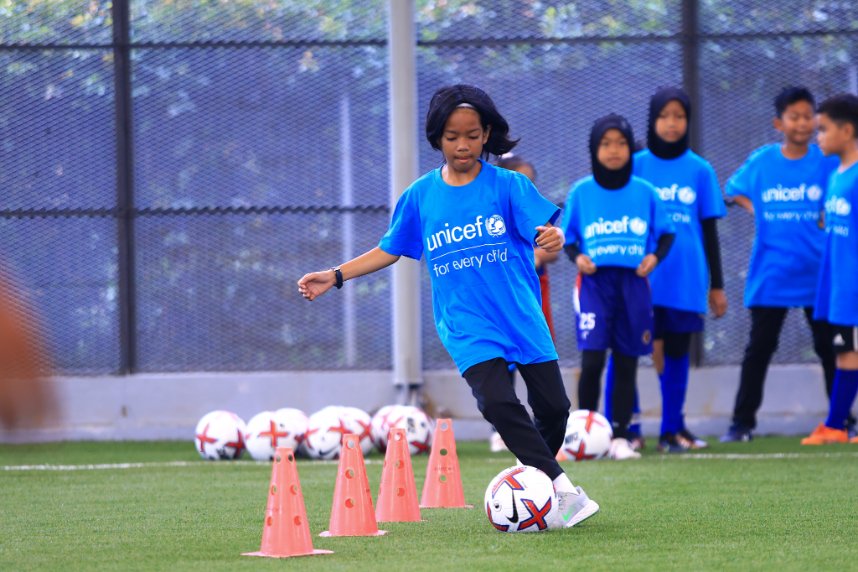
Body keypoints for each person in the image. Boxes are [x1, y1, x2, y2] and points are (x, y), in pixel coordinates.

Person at [297, 84, 599, 528]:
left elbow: (547, 234)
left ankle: (532, 484)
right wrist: (336, 275)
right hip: (465, 323)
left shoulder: (509, 185)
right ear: (437, 137)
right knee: (497, 402)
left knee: (554, 409)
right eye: (454, 136)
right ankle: (562, 490)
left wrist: (553, 238)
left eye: (473, 135)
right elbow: (389, 249)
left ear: (487, 135)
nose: (464, 145)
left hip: (519, 315)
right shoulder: (421, 196)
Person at [720, 86, 845, 443]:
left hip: (817, 273)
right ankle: (741, 424)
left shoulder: (827, 161)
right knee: (759, 349)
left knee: (829, 347)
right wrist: (754, 208)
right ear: (779, 123)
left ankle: (839, 421)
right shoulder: (762, 161)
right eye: (795, 116)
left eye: (809, 116)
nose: (803, 123)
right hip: (771, 273)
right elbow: (734, 187)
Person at [616, 86, 727, 453]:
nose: (671, 123)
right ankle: (626, 429)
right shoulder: (637, 164)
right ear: (652, 120)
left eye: (679, 116)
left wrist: (717, 286)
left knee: (678, 351)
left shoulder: (700, 169)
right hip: (640, 278)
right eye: (664, 116)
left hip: (686, 279)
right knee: (628, 350)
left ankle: (671, 429)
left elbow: (709, 230)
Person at [560, 113, 675, 460]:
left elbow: (667, 233)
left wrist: (653, 257)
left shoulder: (646, 192)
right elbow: (568, 238)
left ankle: (621, 437)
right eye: (605, 144)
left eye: (621, 143)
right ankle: (581, 436)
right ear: (594, 149)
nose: (613, 150)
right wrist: (577, 257)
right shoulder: (581, 191)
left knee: (626, 361)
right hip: (595, 285)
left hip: (633, 284)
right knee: (593, 360)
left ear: (630, 148)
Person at [488, 155, 559, 453]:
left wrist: (543, 253)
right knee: (502, 362)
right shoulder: (492, 212)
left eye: (530, 180)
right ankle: (501, 428)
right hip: (502, 297)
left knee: (534, 356)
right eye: (520, 178)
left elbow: (552, 248)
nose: (526, 186)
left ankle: (539, 422)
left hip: (533, 294)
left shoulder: (533, 212)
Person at [801, 93, 858, 445]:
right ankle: (836, 424)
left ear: (847, 130)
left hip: (853, 285)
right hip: (838, 284)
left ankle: (835, 425)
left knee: (848, 353)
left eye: (823, 129)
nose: (817, 136)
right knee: (845, 352)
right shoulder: (837, 175)